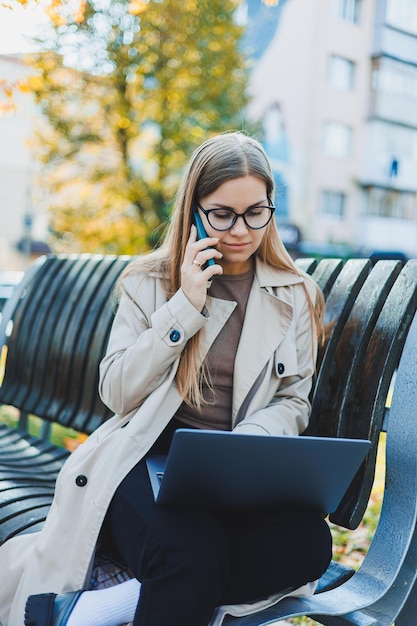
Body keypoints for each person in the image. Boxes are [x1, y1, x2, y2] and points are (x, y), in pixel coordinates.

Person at [0, 131, 332, 626]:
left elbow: (293, 399)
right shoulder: (149, 282)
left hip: (238, 466)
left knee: (309, 543)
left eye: (256, 212)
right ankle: (147, 584)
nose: (241, 230)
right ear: (194, 209)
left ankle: (109, 604)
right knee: (188, 553)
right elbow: (116, 392)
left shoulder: (296, 293)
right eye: (222, 214)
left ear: (271, 208)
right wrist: (186, 307)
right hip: (148, 457)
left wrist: (249, 443)